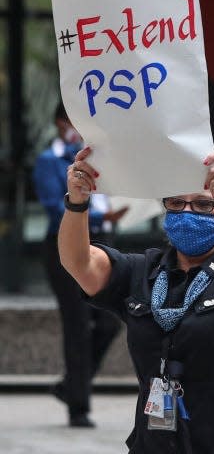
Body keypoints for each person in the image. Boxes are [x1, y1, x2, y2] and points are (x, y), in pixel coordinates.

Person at [58, 146, 214, 453]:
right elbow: (78, 262)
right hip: (158, 437)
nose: (187, 213)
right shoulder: (142, 270)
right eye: (176, 203)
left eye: (204, 204)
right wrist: (77, 203)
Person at [32, 103, 126, 428]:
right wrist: (102, 216)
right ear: (61, 122)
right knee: (77, 324)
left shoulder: (100, 156)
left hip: (103, 242)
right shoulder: (49, 160)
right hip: (66, 246)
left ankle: (71, 385)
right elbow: (54, 207)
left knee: (110, 321)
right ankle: (79, 407)